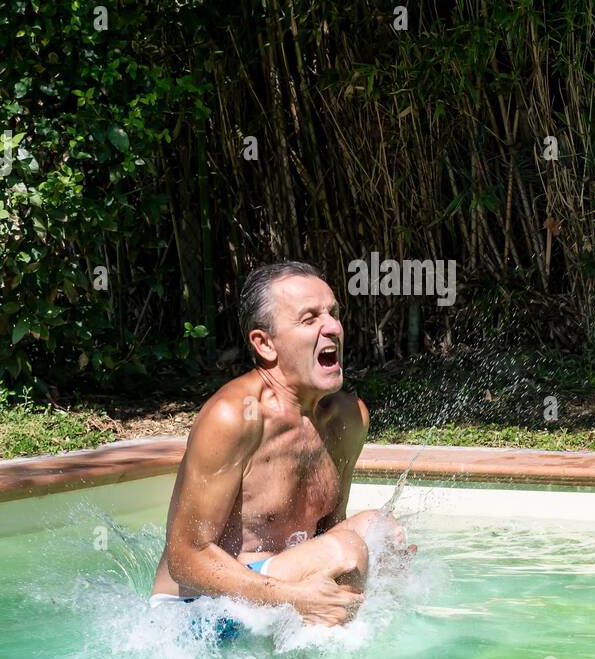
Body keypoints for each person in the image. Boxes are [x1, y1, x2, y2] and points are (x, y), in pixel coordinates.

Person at [150, 260, 413, 628]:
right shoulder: (234, 418)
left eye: (333, 314)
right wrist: (293, 597)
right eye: (310, 319)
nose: (333, 327)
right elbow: (185, 558)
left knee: (380, 529)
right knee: (347, 551)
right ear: (265, 344)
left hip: (273, 590)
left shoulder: (348, 417)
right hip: (197, 613)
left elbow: (327, 529)